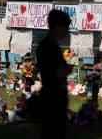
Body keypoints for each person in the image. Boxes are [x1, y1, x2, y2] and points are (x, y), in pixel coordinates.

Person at [35, 9, 73, 139]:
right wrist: (63, 72)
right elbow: (49, 74)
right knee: (52, 132)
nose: (67, 31)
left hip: (57, 97)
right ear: (57, 26)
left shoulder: (54, 45)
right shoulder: (46, 47)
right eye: (65, 27)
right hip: (52, 98)